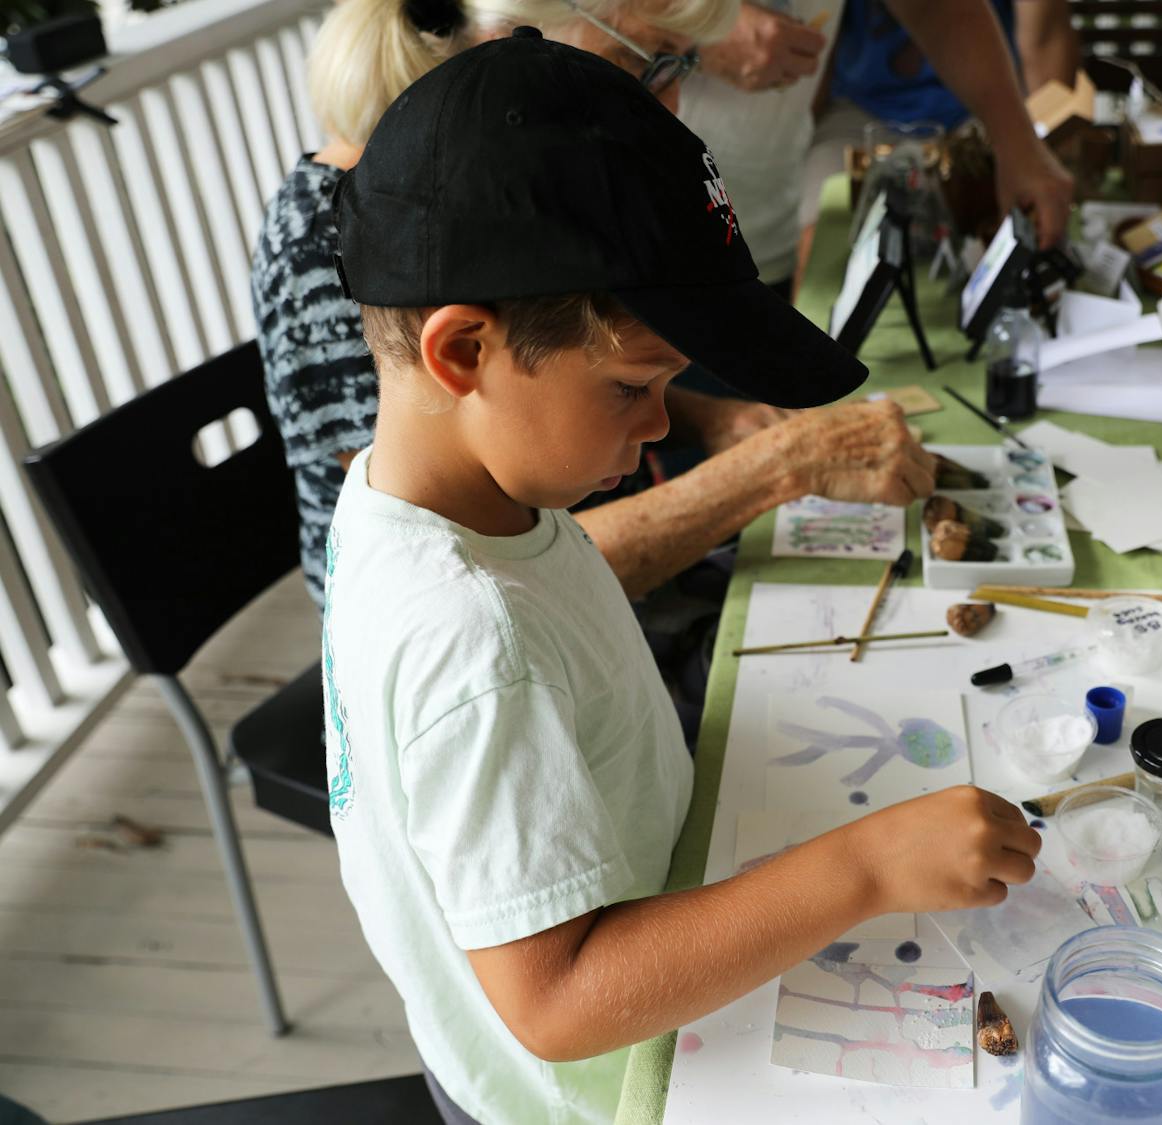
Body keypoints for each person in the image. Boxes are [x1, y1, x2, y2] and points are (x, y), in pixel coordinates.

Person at [328, 30, 1043, 1125]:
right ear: (462, 351)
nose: (663, 423)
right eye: (632, 387)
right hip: (597, 1092)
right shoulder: (466, 635)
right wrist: (863, 866)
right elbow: (559, 1002)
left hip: (651, 894)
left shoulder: (446, 503)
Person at [251, 0, 931, 612]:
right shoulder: (351, 242)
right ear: (511, 40)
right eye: (650, 63)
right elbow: (477, 563)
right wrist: (777, 467)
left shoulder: (499, 186)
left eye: (685, 65)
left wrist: (715, 417)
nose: (674, 106)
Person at [679, 0, 1075, 296]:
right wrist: (696, 30)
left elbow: (934, 9)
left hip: (760, 230)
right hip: (651, 241)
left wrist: (1020, 145)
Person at [797, 0, 1081, 279]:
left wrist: (1034, 150)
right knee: (816, 229)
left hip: (980, 109)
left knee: (1010, 228)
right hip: (861, 107)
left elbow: (1044, 38)